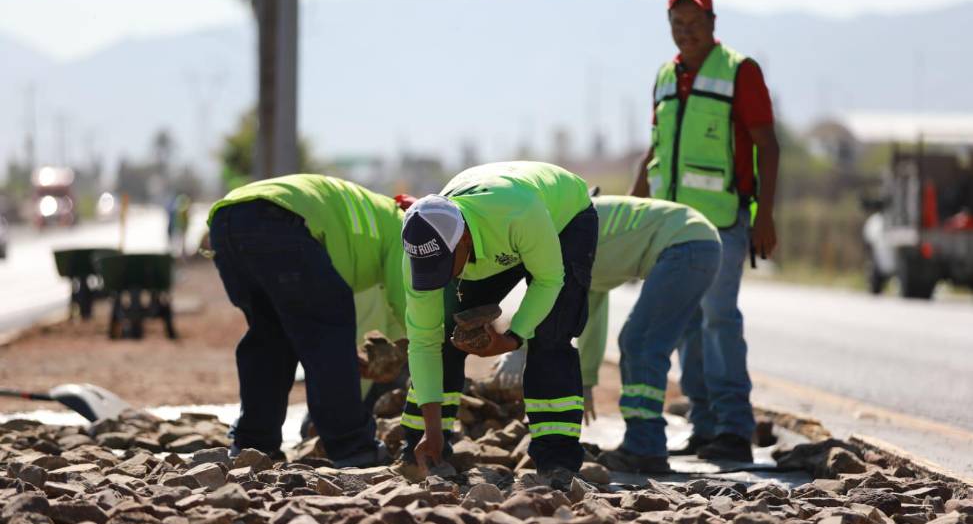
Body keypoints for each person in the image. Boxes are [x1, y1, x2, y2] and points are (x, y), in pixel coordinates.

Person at [630, 0, 780, 462]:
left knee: (719, 320)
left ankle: (735, 428)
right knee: (688, 322)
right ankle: (705, 423)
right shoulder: (664, 76)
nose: (686, 32)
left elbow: (767, 145)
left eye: (695, 24)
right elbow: (657, 146)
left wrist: (765, 215)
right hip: (673, 226)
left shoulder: (740, 72)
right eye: (678, 24)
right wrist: (636, 204)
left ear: (713, 24)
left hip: (721, 222)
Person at [489, 195, 721, 472]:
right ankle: (707, 428)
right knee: (690, 342)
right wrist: (586, 381)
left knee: (640, 343)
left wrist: (519, 346)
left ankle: (644, 448)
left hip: (684, 246)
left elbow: (544, 300)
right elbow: (592, 311)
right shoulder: (579, 225)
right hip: (702, 243)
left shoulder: (568, 231)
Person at [400, 161, 597, 483]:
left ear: (462, 239)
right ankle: (420, 450)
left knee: (550, 336)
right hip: (497, 233)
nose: (442, 276)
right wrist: (432, 430)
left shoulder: (518, 213)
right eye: (430, 268)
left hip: (564, 219)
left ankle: (557, 463)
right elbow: (423, 341)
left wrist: (514, 337)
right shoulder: (419, 248)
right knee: (448, 336)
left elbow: (549, 279)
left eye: (445, 264)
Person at [207, 174, 405, 466]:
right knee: (327, 333)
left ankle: (254, 445)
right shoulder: (403, 229)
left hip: (226, 221)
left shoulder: (369, 221)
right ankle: (353, 447)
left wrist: (346, 355)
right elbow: (410, 309)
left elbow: (310, 314)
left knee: (271, 339)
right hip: (280, 221)